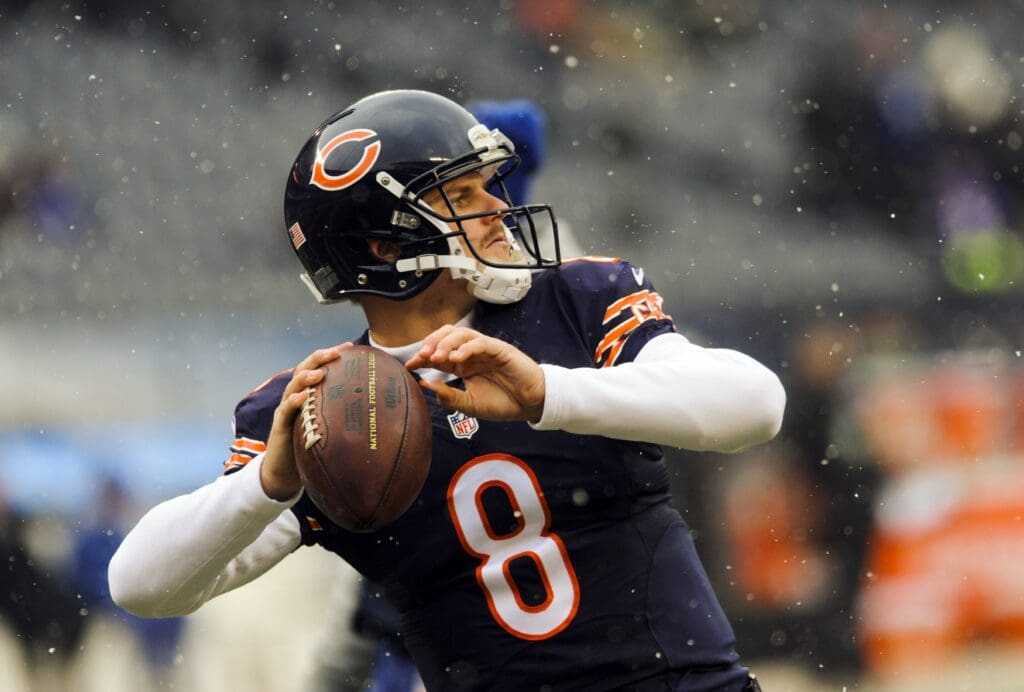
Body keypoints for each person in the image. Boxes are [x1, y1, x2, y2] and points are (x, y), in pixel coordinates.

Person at [108, 89, 785, 691]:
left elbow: (755, 405)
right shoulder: (329, 409)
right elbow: (138, 584)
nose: (499, 207)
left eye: (489, 185)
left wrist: (547, 393)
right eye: (463, 196)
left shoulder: (576, 300)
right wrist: (268, 483)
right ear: (383, 246)